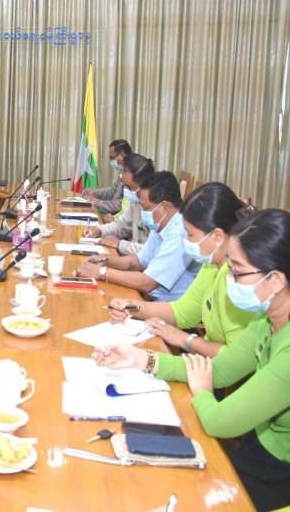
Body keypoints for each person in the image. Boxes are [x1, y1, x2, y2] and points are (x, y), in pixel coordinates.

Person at [94, 209, 290, 511]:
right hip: (258, 447)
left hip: (279, 472)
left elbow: (220, 422)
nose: (229, 279)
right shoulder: (267, 319)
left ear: (275, 280)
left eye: (237, 272)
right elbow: (220, 370)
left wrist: (201, 391)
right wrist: (140, 359)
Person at [107, 183, 256, 356]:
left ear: (217, 237)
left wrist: (185, 339)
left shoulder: (242, 282)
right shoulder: (212, 265)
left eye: (190, 234)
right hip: (203, 360)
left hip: (218, 368)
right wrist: (130, 306)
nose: (185, 240)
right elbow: (182, 312)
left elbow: (238, 358)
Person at [76, 171, 200, 301]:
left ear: (165, 206)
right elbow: (138, 262)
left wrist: (102, 272)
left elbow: (148, 283)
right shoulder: (161, 224)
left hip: (167, 306)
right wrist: (104, 261)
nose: (143, 213)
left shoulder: (181, 232)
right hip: (150, 297)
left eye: (146, 208)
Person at [82, 153, 153, 256]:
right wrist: (99, 230)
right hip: (132, 258)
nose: (125, 190)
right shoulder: (136, 201)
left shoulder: (158, 208)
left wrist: (120, 244)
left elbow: (152, 252)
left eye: (128, 187)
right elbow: (121, 225)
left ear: (143, 184)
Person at [83, 139, 131, 216]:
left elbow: (123, 205)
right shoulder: (122, 171)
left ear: (122, 155)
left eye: (112, 157)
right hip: (113, 217)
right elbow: (112, 191)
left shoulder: (132, 174)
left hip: (120, 219)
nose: (111, 160)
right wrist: (93, 193)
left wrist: (99, 203)